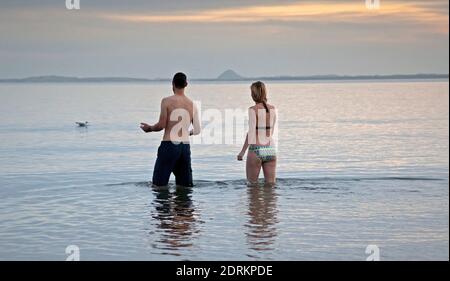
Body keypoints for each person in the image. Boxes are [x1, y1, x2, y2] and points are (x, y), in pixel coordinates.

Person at [140, 72, 201, 187]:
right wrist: (187, 132)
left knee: (159, 186)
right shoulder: (192, 104)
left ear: (172, 84)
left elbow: (161, 125)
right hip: (185, 147)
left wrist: (150, 128)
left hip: (169, 145)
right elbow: (197, 130)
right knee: (185, 187)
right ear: (186, 84)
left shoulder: (166, 101)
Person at [237, 81, 277, 185]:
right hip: (270, 149)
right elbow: (271, 132)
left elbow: (251, 132)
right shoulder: (272, 109)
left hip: (256, 150)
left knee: (252, 186)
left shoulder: (253, 109)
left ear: (253, 95)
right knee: (271, 187)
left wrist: (242, 152)